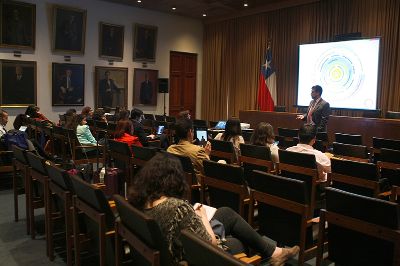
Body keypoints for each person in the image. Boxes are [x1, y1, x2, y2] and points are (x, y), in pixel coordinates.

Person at [128, 153, 300, 265]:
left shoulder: (141, 200)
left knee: (226, 212)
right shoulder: (176, 208)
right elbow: (210, 244)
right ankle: (271, 253)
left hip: (169, 245)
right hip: (187, 256)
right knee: (238, 242)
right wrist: (201, 216)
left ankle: (273, 251)